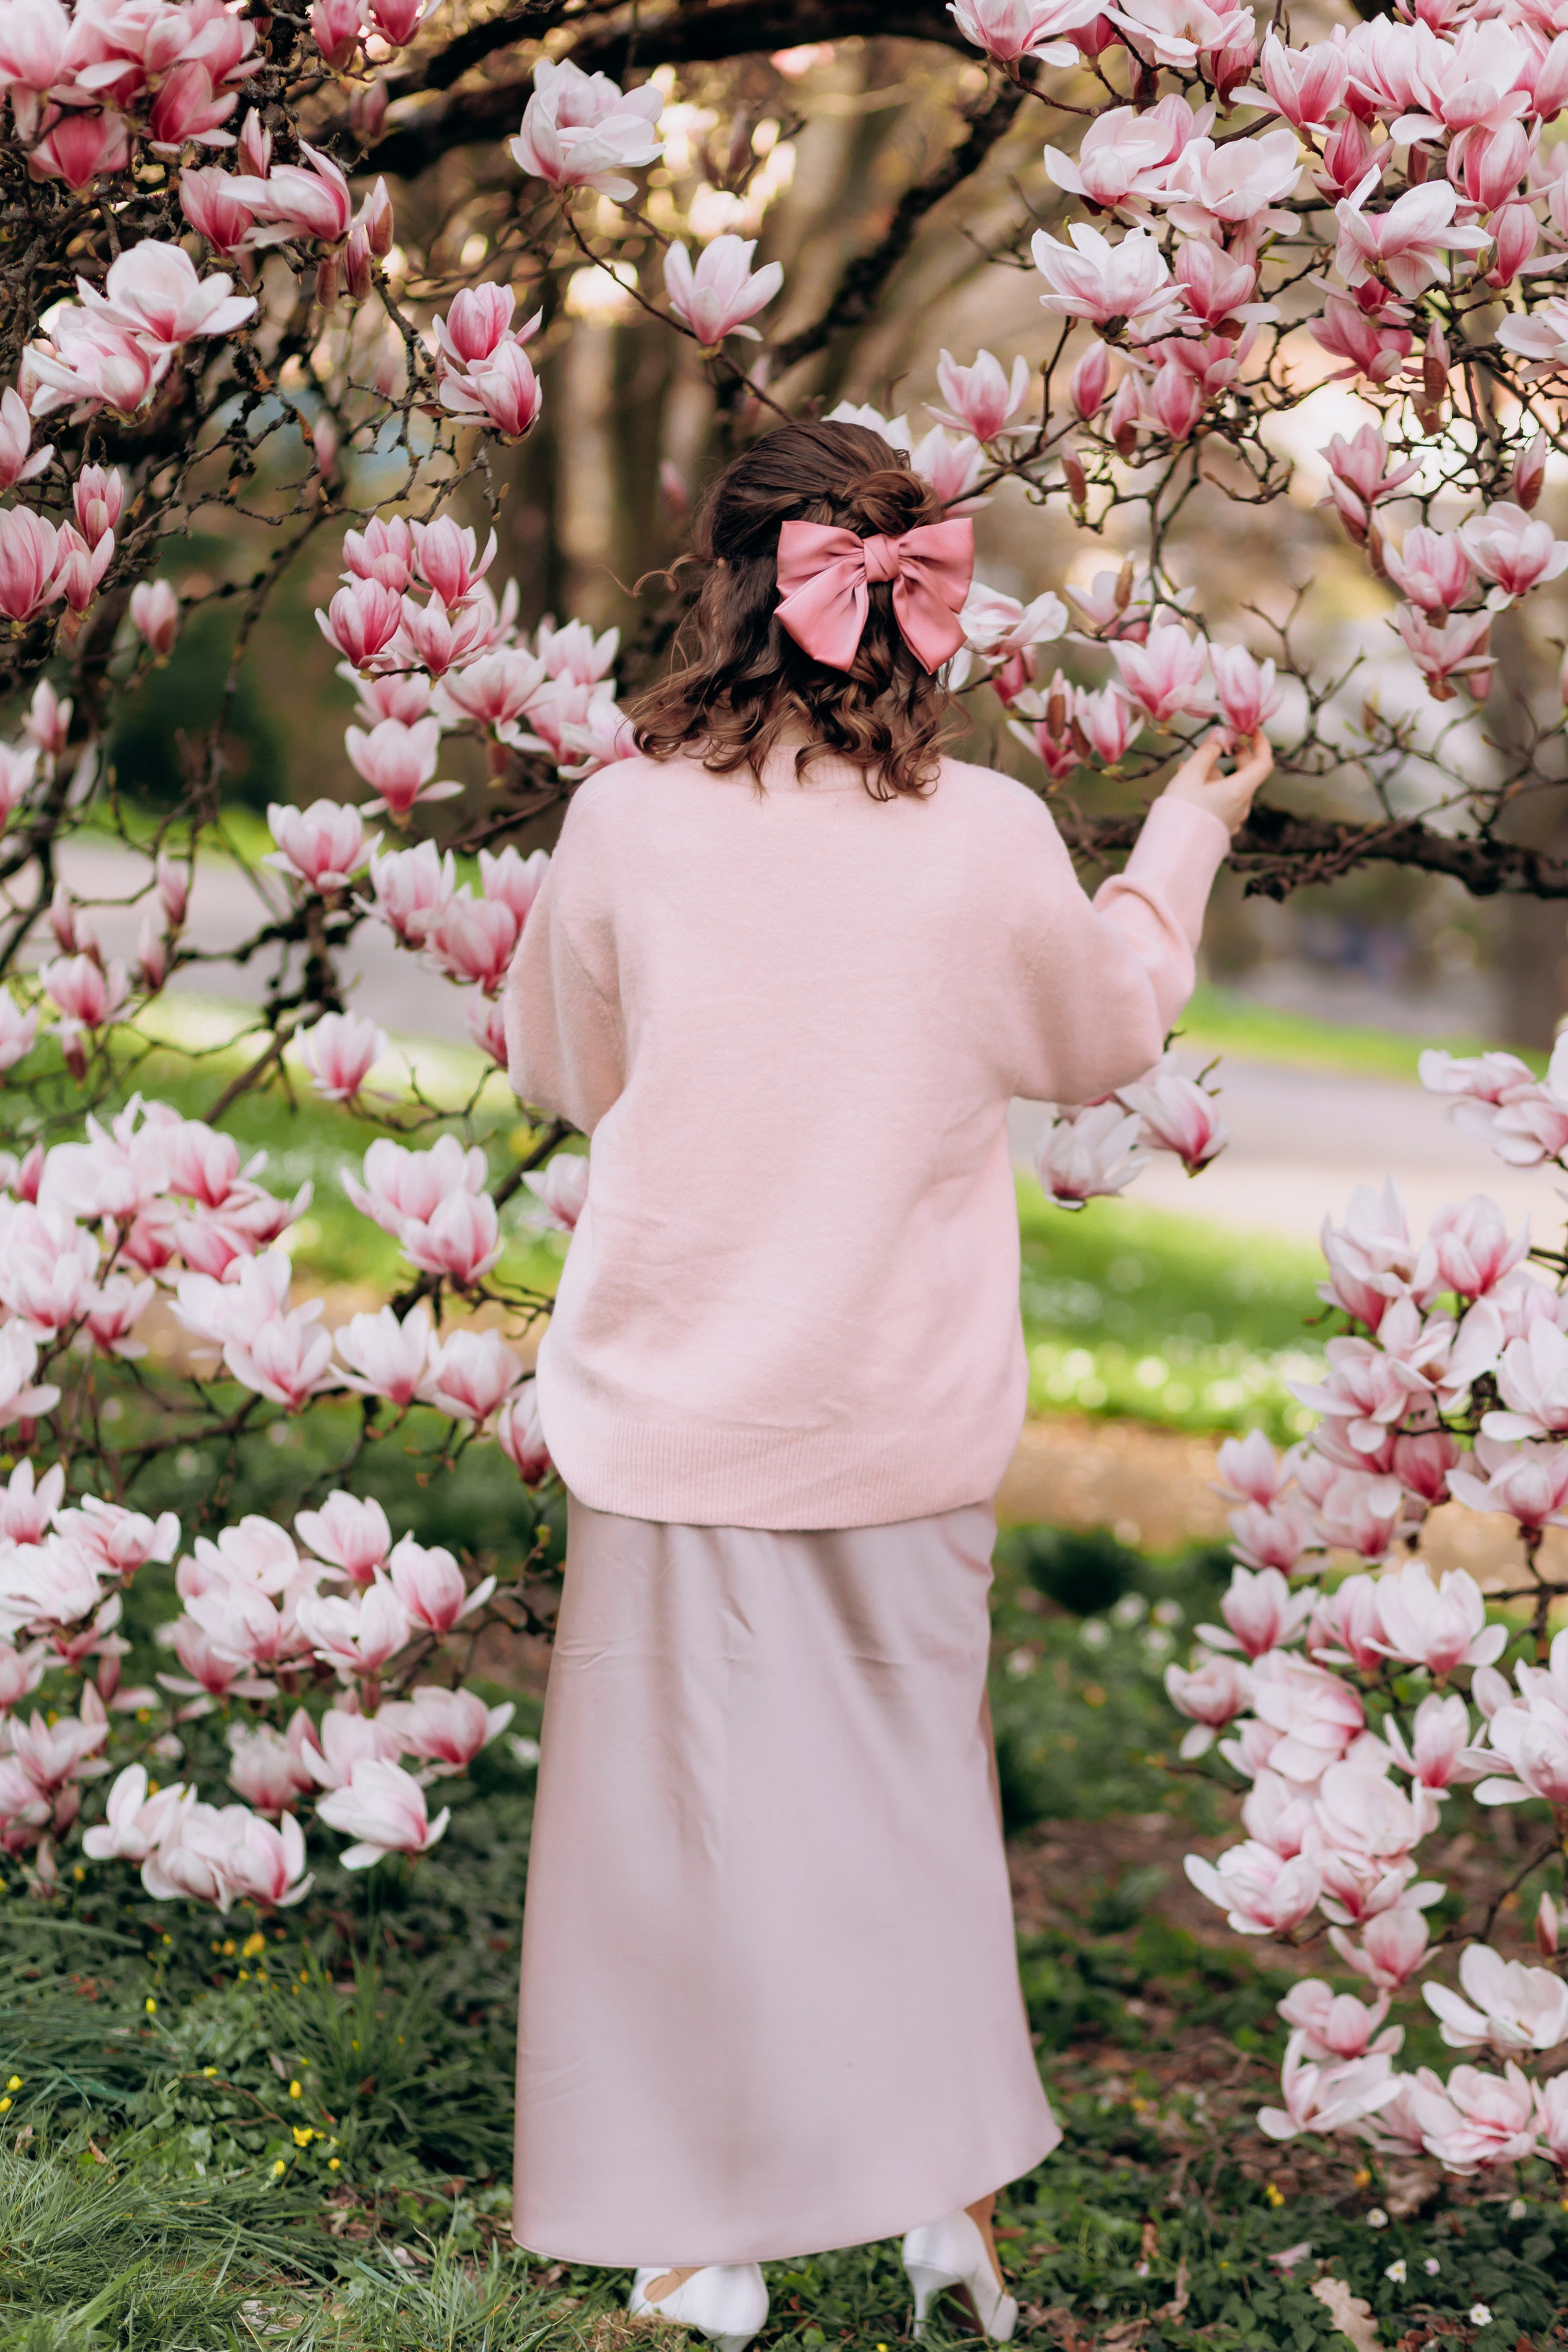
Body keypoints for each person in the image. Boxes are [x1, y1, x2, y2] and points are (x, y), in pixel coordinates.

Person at [502, 418, 1272, 2350]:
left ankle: (711, 2252)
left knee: (682, 1840)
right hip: (899, 1407)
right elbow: (1106, 1031)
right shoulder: (994, 835)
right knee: (905, 1827)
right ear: (904, 596)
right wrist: (1186, 834)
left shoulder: (625, 817)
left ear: (724, 584)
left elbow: (557, 1071)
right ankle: (941, 2209)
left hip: (683, 1395)